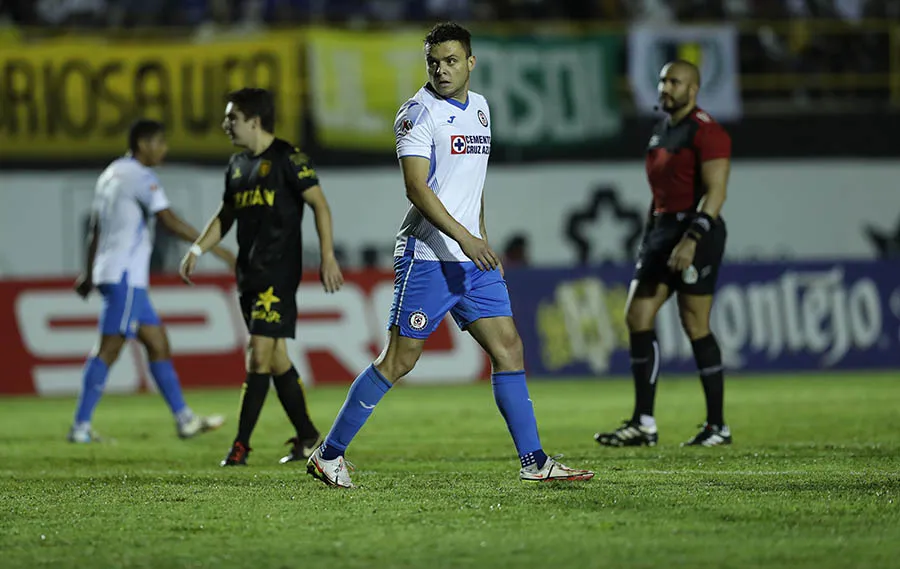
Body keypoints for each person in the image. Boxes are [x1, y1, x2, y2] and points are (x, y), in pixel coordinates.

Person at [306, 22, 594, 488]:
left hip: (471, 258)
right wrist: (465, 238)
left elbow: (472, 185)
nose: (442, 70)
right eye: (434, 62)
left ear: (471, 63)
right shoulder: (417, 114)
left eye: (451, 61)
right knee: (399, 360)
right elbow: (416, 189)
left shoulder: (480, 108)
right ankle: (329, 454)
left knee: (509, 347)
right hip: (428, 256)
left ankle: (534, 461)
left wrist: (482, 238)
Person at [179, 87, 344, 466]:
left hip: (278, 275)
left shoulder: (289, 158)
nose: (226, 125)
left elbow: (319, 205)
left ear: (254, 121)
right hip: (249, 275)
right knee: (276, 359)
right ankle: (309, 437)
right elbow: (225, 215)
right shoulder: (237, 165)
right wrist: (197, 249)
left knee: (257, 355)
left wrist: (328, 256)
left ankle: (240, 446)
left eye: (232, 118)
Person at [594, 60, 733, 448]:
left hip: (695, 233)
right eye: (662, 80)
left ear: (693, 89)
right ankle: (644, 422)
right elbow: (660, 195)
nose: (665, 87)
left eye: (675, 81)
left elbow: (716, 192)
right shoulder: (661, 131)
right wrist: (650, 233)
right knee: (637, 316)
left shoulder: (707, 131)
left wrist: (692, 239)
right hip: (661, 231)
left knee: (695, 324)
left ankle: (717, 426)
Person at [69, 119, 232, 443]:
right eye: (160, 143)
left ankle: (184, 419)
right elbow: (168, 220)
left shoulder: (110, 174)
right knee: (109, 348)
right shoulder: (141, 177)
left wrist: (89, 272)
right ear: (143, 144)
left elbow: (95, 229)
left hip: (115, 274)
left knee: (158, 343)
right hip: (125, 277)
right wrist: (215, 249)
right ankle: (80, 427)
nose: (164, 149)